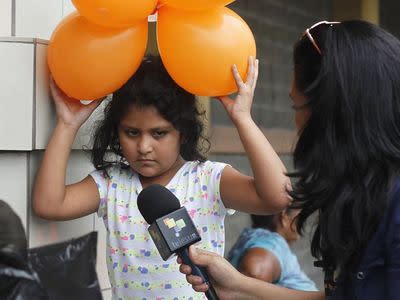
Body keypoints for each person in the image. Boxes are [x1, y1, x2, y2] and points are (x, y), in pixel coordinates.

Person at [178, 20, 400, 299]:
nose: (296, 123)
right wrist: (236, 286)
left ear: (334, 114)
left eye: (297, 106)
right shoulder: (374, 190)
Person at [32, 55, 291, 299]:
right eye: (132, 132)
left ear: (184, 132)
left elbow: (278, 196)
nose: (144, 146)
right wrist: (67, 125)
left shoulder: (208, 179)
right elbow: (49, 204)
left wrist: (243, 119)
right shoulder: (112, 184)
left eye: (159, 133)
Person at [227, 209, 317, 291]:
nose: (302, 220)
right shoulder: (272, 246)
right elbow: (254, 272)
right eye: (299, 215)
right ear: (284, 217)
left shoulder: (254, 238)